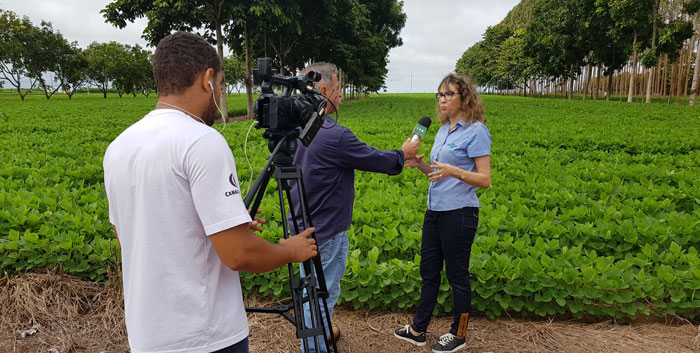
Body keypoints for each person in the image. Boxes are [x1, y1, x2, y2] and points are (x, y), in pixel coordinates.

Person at [103, 31, 317, 353]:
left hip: (148, 334)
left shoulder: (119, 147)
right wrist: (291, 250)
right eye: (221, 85)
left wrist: (223, 223)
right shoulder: (202, 141)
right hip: (205, 336)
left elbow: (130, 235)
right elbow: (237, 254)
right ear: (207, 79)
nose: (220, 92)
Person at [287, 62, 420, 353]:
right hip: (326, 231)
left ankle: (321, 334)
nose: (342, 95)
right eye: (339, 89)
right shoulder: (335, 134)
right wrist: (403, 154)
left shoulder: (291, 130)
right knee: (323, 294)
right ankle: (316, 347)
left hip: (297, 228)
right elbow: (374, 159)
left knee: (309, 292)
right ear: (324, 90)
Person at [393, 73, 491, 353]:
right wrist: (419, 165)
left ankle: (458, 334)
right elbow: (438, 174)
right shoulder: (442, 129)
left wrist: (454, 171)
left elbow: (485, 179)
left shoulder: (476, 130)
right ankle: (418, 330)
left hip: (460, 213)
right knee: (429, 273)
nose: (443, 99)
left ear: (465, 98)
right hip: (434, 212)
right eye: (440, 94)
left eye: (449, 94)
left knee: (457, 276)